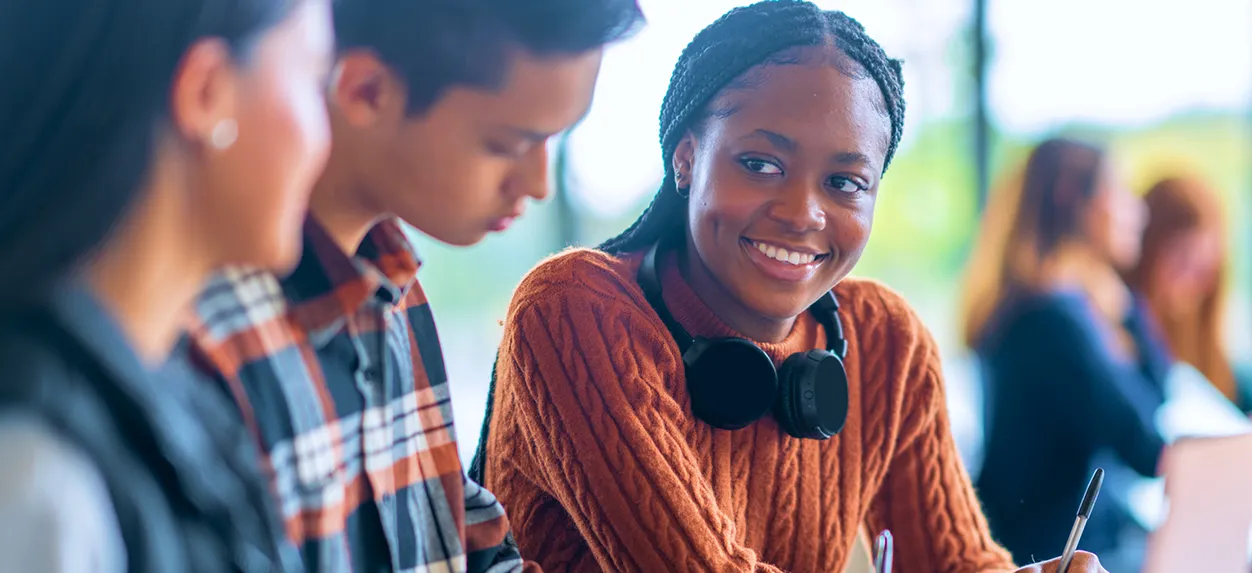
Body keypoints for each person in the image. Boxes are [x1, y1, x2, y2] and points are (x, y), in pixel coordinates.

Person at [472, 2, 1105, 571]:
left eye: (845, 182)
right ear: (686, 158)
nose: (804, 213)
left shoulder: (885, 340)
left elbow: (956, 564)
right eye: (760, 164)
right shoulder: (574, 310)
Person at [186, 1, 645, 572]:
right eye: (506, 145)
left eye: (554, 141)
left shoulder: (395, 285)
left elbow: (452, 535)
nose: (538, 183)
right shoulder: (205, 332)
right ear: (367, 92)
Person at [0, 0, 334, 571]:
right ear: (206, 93)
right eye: (311, 78)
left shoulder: (166, 388)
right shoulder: (36, 475)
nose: (323, 140)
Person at [960, 138, 1166, 569]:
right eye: (1121, 193)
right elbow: (1146, 445)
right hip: (1055, 555)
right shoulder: (1053, 319)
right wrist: (1128, 307)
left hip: (1042, 540)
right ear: (1080, 205)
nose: (1138, 211)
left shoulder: (1031, 304)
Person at [1123, 176, 1252, 413]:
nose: (1196, 284)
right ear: (1148, 249)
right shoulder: (1123, 330)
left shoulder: (1206, 345)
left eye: (1205, 268)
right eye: (1183, 263)